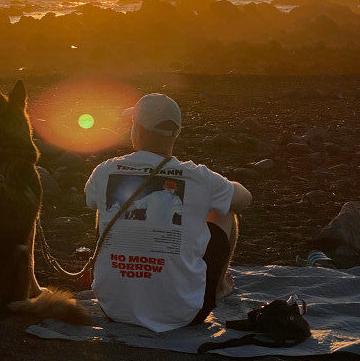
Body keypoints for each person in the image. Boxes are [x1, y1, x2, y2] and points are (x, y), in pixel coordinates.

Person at [85, 93, 252, 332]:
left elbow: (91, 202)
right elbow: (244, 200)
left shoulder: (105, 170)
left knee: (107, 204)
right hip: (184, 314)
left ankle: (122, 280)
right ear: (176, 133)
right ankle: (218, 288)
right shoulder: (198, 176)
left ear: (138, 129)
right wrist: (228, 186)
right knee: (225, 211)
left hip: (115, 309)